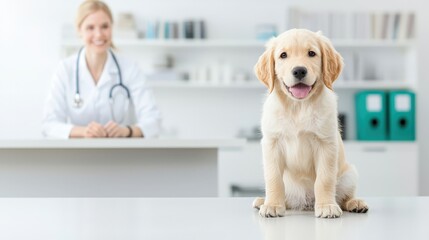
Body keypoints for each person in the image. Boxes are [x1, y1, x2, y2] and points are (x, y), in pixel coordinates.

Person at [42, 0, 161, 138]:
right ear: (79, 30)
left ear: (112, 28)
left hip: (122, 154)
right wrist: (83, 131)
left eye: (104, 26)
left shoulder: (129, 69)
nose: (98, 34)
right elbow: (49, 125)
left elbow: (154, 121)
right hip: (78, 155)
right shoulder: (65, 69)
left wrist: (127, 131)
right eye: (90, 27)